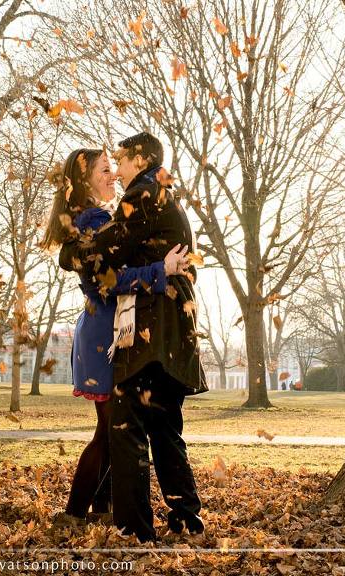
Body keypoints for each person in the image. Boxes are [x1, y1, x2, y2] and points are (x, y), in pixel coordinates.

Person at [59, 132, 208, 542]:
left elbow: (98, 254)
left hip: (149, 337)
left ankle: (134, 528)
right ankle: (185, 520)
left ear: (139, 160)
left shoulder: (142, 196)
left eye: (121, 160)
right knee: (163, 430)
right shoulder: (161, 194)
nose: (118, 169)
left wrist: (71, 253)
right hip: (171, 336)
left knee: (125, 432)